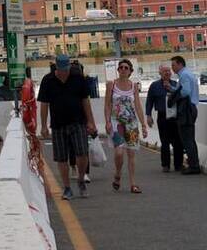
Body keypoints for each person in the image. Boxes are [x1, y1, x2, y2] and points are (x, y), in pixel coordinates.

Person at [39, 54, 97, 200]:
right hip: (58, 124)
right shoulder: (48, 80)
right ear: (57, 67)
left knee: (82, 153)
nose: (65, 72)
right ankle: (67, 188)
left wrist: (91, 121)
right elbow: (44, 104)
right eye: (62, 69)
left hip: (78, 122)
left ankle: (81, 179)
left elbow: (85, 101)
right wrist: (44, 125)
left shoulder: (78, 78)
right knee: (61, 158)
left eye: (67, 69)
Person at [104, 59, 148, 194]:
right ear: (118, 70)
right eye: (121, 67)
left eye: (126, 68)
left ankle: (133, 183)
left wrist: (143, 124)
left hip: (131, 123)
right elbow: (107, 104)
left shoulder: (133, 86)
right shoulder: (111, 84)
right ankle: (117, 173)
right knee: (119, 152)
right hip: (117, 122)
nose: (123, 69)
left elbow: (138, 106)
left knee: (131, 154)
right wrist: (107, 121)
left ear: (130, 71)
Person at [145, 64, 183, 172]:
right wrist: (148, 115)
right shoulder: (154, 86)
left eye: (168, 71)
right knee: (165, 141)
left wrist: (171, 89)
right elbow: (149, 102)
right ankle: (165, 165)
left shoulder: (175, 84)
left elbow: (180, 98)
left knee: (178, 141)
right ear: (160, 73)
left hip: (175, 117)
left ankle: (178, 164)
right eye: (164, 71)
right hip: (162, 116)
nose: (167, 73)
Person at [170, 56, 201, 175]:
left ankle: (193, 166)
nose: (172, 68)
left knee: (187, 139)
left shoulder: (184, 75)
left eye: (173, 65)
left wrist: (174, 95)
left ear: (180, 64)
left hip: (186, 109)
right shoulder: (188, 74)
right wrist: (173, 89)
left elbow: (185, 91)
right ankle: (194, 163)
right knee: (190, 139)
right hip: (191, 108)